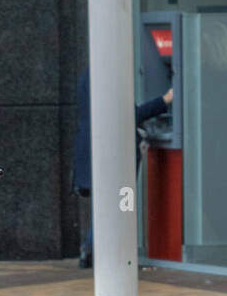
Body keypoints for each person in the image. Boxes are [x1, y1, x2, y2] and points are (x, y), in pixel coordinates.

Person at [72, 68, 173, 268]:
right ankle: (116, 255)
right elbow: (129, 115)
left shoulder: (88, 74)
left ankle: (91, 249)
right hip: (116, 155)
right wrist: (166, 99)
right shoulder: (108, 73)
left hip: (95, 151)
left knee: (107, 204)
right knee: (123, 204)